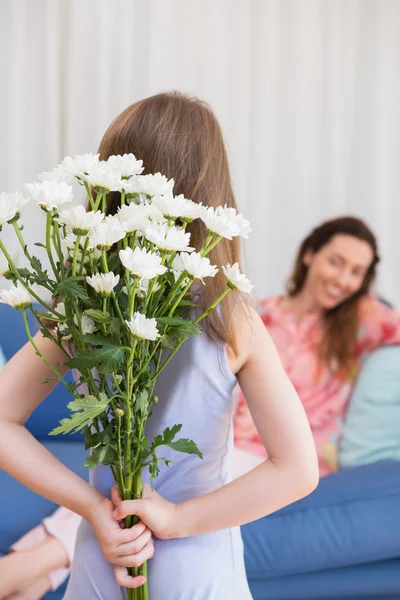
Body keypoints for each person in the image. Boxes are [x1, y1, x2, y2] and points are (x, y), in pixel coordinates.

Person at [0, 92, 318, 599]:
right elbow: (299, 469)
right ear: (213, 196)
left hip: (107, 549)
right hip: (200, 562)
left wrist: (90, 507)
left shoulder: (82, 310)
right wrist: (176, 519)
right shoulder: (231, 320)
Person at [234, 216, 400, 477]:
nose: (344, 280)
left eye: (356, 272)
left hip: (302, 467)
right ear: (310, 255)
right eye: (336, 263)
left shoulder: (365, 318)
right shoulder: (258, 315)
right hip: (239, 451)